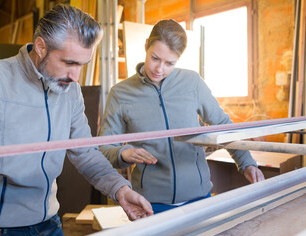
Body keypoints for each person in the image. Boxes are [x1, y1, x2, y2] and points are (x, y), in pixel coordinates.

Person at [0, 4, 153, 236]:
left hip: (49, 223)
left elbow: (85, 153)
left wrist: (121, 189)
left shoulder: (70, 92)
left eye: (82, 65)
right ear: (41, 46)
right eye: (69, 63)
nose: (75, 77)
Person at [99, 19, 265, 214]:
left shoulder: (192, 82)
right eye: (155, 58)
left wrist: (246, 163)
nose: (159, 69)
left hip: (199, 199)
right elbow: (104, 147)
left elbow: (222, 125)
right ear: (146, 46)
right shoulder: (120, 93)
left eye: (169, 63)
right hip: (151, 203)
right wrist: (123, 154)